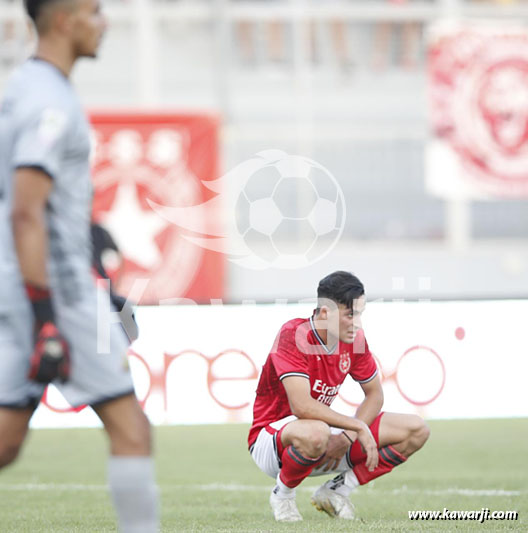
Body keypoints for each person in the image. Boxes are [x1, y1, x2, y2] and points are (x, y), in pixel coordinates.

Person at [0, 0, 159, 531]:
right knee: (132, 430)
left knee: (7, 442)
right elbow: (25, 211)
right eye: (94, 11)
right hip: (54, 296)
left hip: (40, 290)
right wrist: (47, 313)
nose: (104, 22)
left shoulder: (29, 86)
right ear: (64, 20)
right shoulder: (50, 102)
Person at [248, 271, 430, 522]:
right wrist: (355, 426)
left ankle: (336, 491)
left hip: (322, 434)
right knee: (316, 431)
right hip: (272, 440)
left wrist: (348, 435)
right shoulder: (294, 334)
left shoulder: (355, 339)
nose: (357, 323)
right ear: (325, 313)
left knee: (416, 429)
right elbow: (301, 406)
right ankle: (283, 495)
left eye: (360, 314)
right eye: (350, 315)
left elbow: (375, 395)